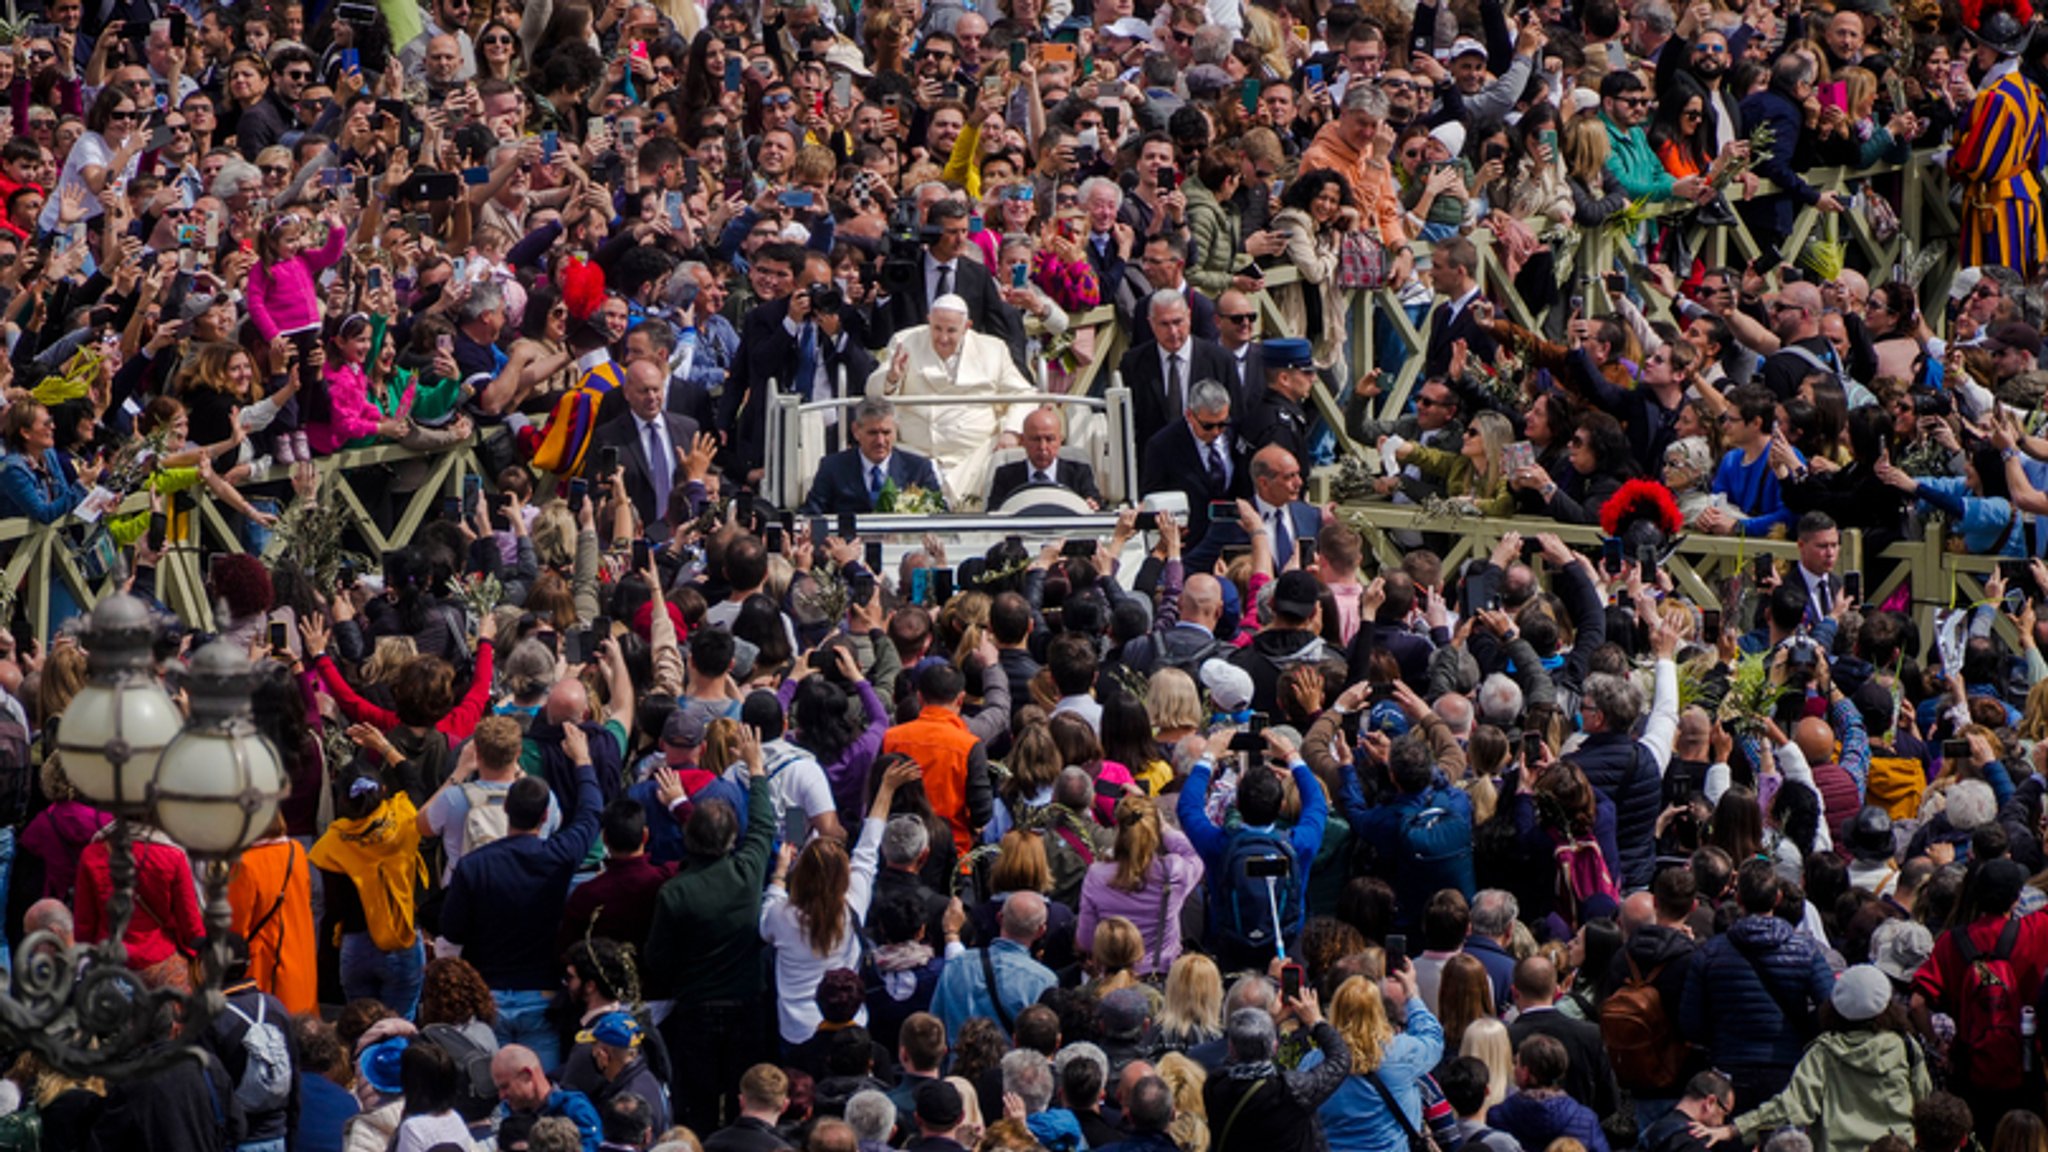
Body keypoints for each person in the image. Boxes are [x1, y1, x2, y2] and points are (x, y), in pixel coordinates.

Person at [440, 725, 605, 1071]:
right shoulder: (557, 856)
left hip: (489, 997)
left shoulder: (473, 867)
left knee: (492, 1089)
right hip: (541, 996)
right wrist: (583, 760)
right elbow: (591, 812)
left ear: (507, 812)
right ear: (546, 816)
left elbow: (451, 936)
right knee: (539, 1093)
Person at [1709, 965, 1931, 1152]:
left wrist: (1735, 1129)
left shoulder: (1824, 1053)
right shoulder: (1905, 1046)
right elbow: (1923, 1099)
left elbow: (1792, 1106)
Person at [1681, 859, 1838, 1110]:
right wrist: (1805, 1033)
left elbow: (1691, 1023)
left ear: (1738, 899)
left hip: (1729, 1067)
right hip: (1787, 1065)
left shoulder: (1710, 953)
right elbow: (1832, 1005)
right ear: (1777, 898)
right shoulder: (1805, 950)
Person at [868, 295, 1039, 506]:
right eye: (937, 329)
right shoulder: (905, 341)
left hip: (976, 457)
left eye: (951, 331)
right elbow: (873, 394)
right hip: (916, 454)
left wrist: (1012, 432)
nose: (943, 338)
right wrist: (892, 377)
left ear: (967, 327)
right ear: (928, 319)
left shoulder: (992, 349)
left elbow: (1024, 393)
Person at [1301, 964, 1444, 1152]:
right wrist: (1412, 994)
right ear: (1379, 1011)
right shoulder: (1401, 1052)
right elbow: (1433, 1039)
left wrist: (1317, 1023)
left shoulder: (1313, 1063)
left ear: (1335, 1010)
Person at [1203, 989, 1352, 1152]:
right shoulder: (1290, 1092)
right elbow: (1340, 1059)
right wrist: (1316, 1021)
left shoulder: (1215, 1086)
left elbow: (1234, 1058)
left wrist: (1268, 1023)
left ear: (1231, 1047)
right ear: (1274, 1047)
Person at [930, 890, 1059, 1043]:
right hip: (1012, 1066)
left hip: (958, 1064)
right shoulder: (1044, 981)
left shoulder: (957, 964)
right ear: (1041, 931)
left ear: (999, 918)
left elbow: (935, 1024)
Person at [985, 406, 1103, 510]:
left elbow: (1096, 506)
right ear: (1023, 441)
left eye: (1049, 439)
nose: (1043, 447)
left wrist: (1091, 506)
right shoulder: (1006, 476)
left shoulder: (1079, 473)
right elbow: (994, 514)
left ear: (1060, 440)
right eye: (1036, 439)